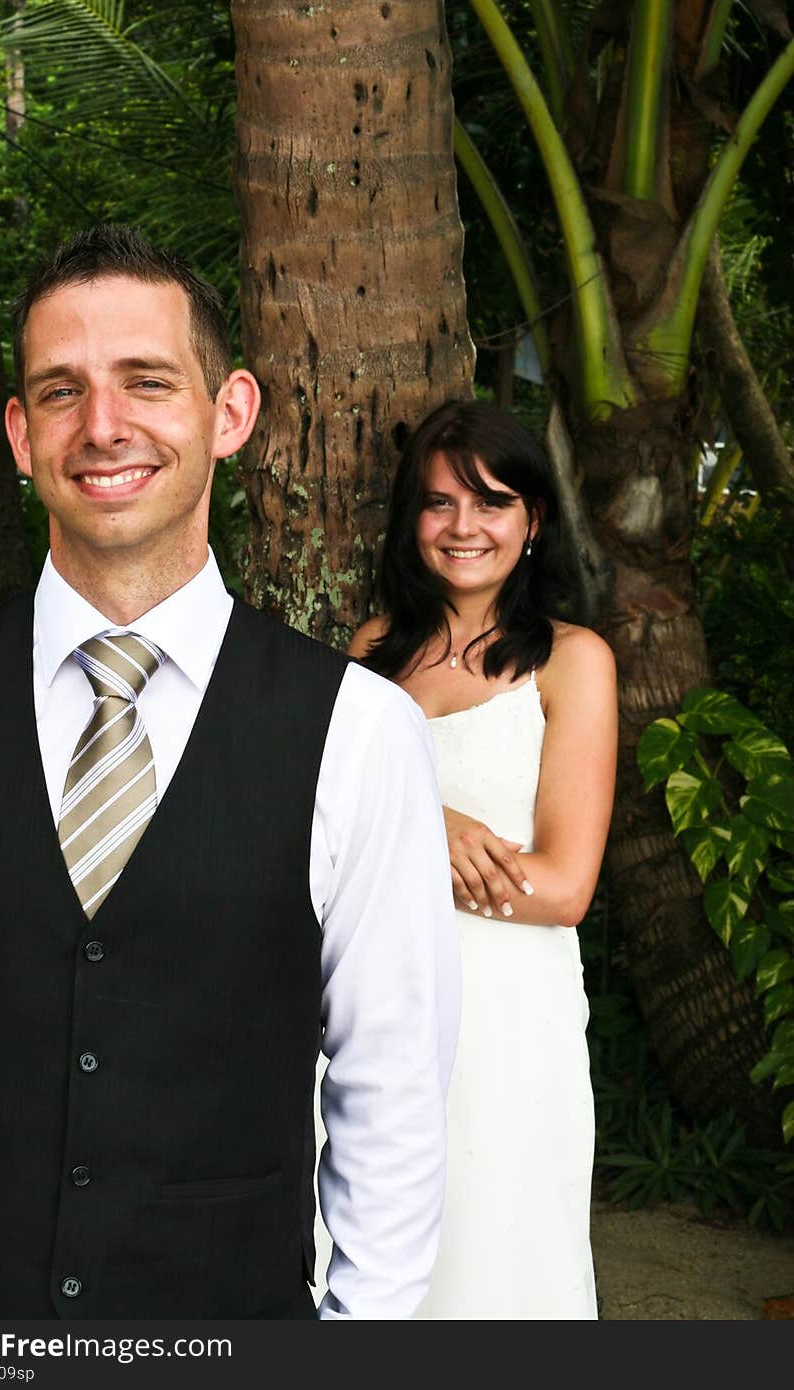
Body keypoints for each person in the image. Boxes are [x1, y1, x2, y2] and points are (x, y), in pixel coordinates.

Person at [0, 225, 459, 1321]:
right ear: (21, 436)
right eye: (61, 392)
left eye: (146, 382)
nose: (102, 425)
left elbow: (389, 1095)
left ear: (231, 413)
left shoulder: (358, 731)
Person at [348, 400, 617, 1320]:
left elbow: (564, 886)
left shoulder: (573, 662)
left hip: (509, 1020)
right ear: (409, 519)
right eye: (438, 504)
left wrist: (410, 833)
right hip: (371, 1009)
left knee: (498, 1268)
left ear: (534, 520)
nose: (463, 528)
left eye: (492, 502)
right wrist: (431, 821)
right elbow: (337, 846)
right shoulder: (371, 656)